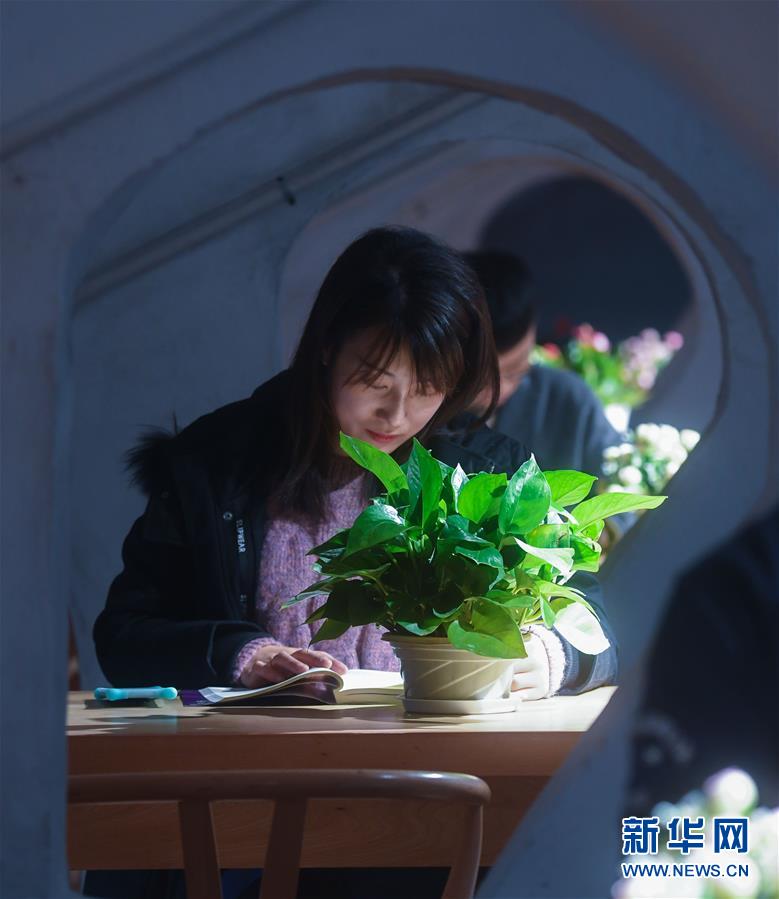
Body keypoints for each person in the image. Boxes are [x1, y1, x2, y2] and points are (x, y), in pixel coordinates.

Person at [94, 227, 617, 701]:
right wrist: (242, 655)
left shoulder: (485, 469)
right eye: (374, 381)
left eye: (428, 388)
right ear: (327, 346)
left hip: (433, 760)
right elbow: (124, 635)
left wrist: (553, 655)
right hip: (255, 760)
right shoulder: (217, 463)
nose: (397, 414)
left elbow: (596, 623)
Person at [464, 250, 624, 477]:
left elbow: (619, 475)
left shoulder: (567, 400)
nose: (500, 391)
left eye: (515, 373)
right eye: (480, 380)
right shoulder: (423, 410)